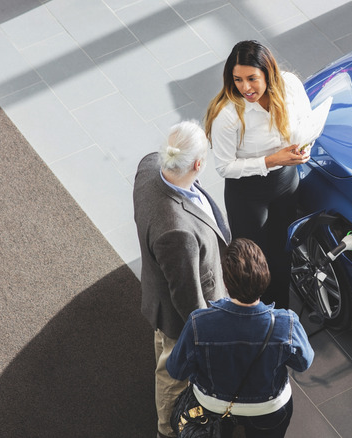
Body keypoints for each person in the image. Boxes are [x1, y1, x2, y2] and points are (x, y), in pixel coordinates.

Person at [133, 120, 232, 438]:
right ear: (199, 164)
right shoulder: (176, 231)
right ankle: (167, 430)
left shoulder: (149, 166)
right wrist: (206, 336)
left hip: (157, 290)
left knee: (163, 348)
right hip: (178, 315)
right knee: (173, 375)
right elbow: (187, 297)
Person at [167, 238, 314, 438]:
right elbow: (303, 362)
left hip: (212, 408)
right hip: (269, 409)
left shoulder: (199, 323)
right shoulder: (286, 323)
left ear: (226, 283)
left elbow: (177, 369)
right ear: (265, 276)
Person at [205, 40, 313, 309]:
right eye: (238, 79)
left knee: (281, 253)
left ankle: (283, 312)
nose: (245, 87)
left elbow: (306, 121)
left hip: (286, 181)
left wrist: (306, 145)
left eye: (252, 78)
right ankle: (256, 314)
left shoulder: (290, 87)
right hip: (247, 193)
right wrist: (272, 159)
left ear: (268, 73)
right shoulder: (228, 115)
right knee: (253, 263)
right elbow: (224, 167)